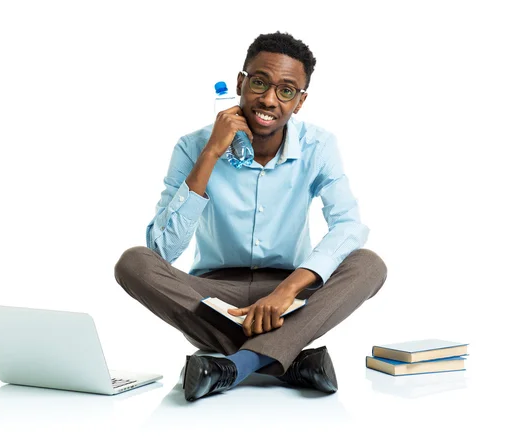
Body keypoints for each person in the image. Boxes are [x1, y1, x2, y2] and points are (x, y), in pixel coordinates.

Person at [114, 31, 387, 402]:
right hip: (214, 300)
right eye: (260, 83)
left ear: (300, 101)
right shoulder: (192, 146)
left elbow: (350, 225)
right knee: (134, 263)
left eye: (286, 91)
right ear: (242, 82)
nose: (269, 99)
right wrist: (211, 153)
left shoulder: (319, 146)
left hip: (289, 295)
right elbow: (162, 249)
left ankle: (233, 366)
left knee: (368, 265)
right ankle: (288, 358)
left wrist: (287, 291)